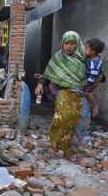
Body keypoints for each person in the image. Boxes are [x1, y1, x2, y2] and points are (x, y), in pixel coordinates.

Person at [34, 31, 101, 160]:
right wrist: (40, 84)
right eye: (66, 43)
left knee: (83, 121)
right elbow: (48, 74)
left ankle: (71, 151)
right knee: (63, 117)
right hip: (63, 91)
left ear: (78, 44)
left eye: (72, 43)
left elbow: (98, 70)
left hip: (82, 92)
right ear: (62, 43)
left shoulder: (85, 56)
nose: (69, 46)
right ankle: (56, 144)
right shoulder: (58, 57)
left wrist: (97, 79)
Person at [83, 38, 105, 117]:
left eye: (86, 49)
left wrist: (86, 84)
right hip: (96, 76)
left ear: (92, 52)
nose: (84, 50)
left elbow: (93, 76)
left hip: (94, 78)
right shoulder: (93, 56)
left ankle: (94, 105)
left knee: (87, 92)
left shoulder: (94, 64)